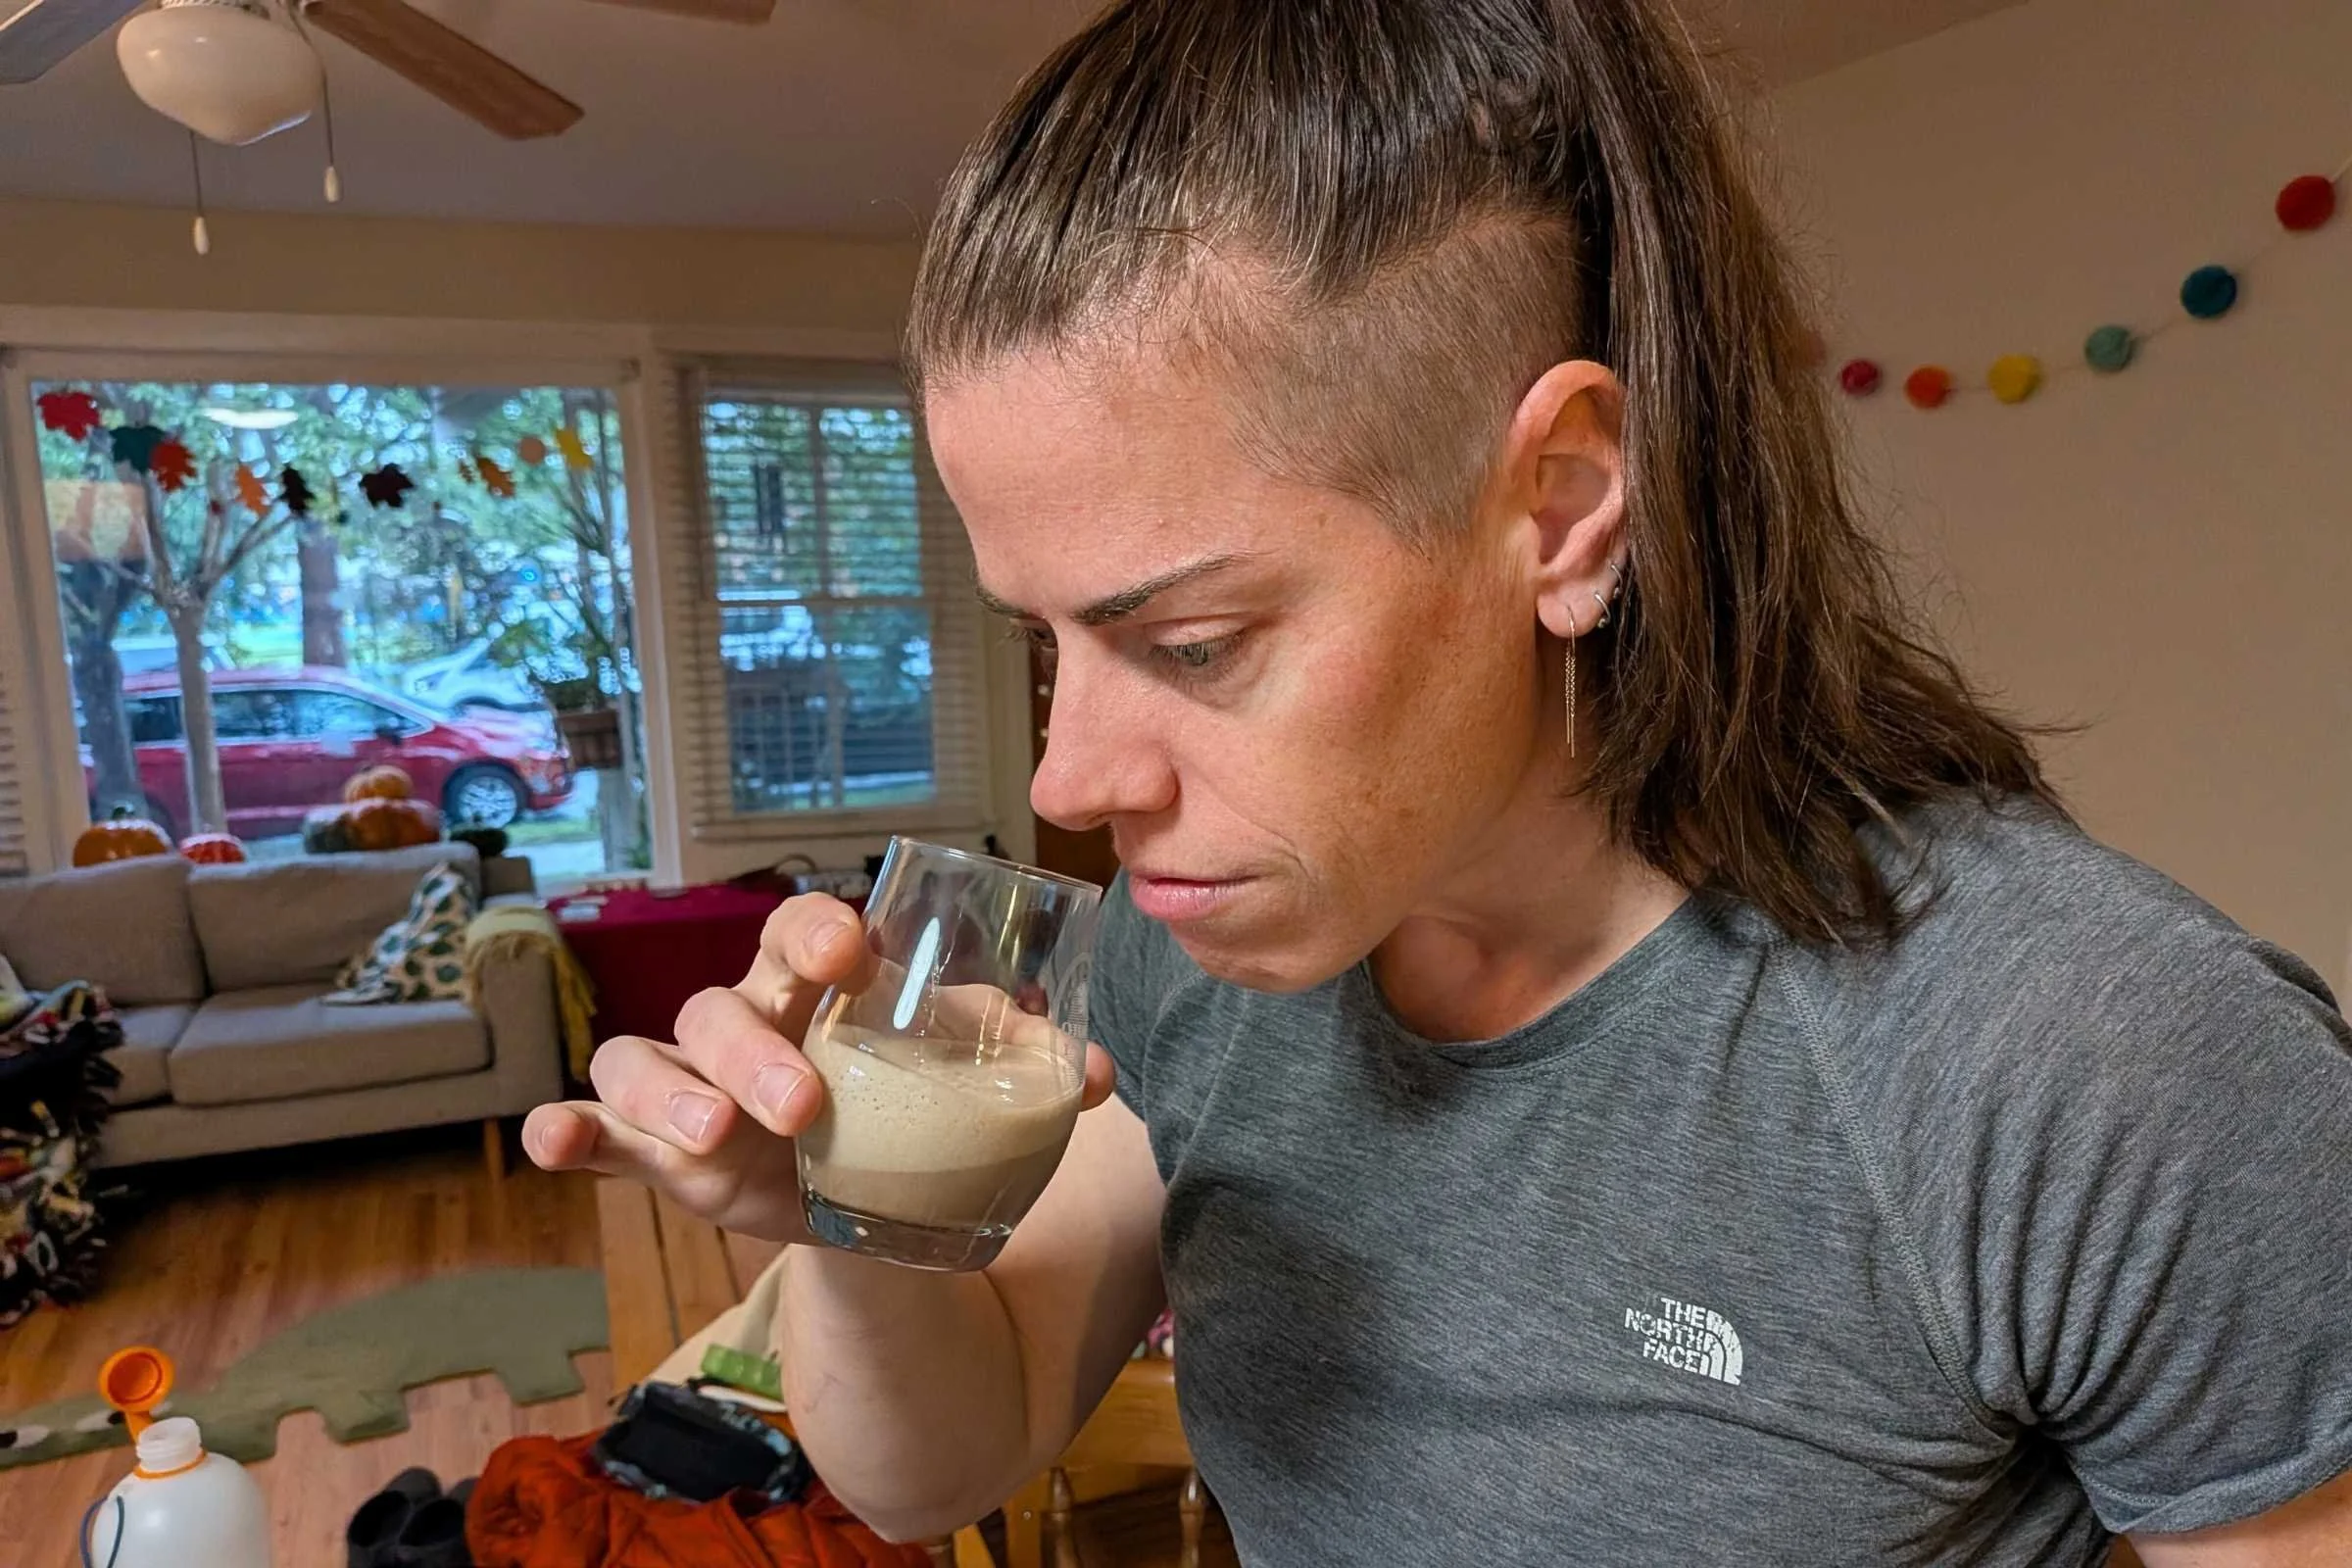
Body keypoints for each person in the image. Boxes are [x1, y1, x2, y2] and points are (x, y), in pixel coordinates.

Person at [526, 1, 2352, 1561]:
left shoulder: (2092, 1067)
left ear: (1557, 508)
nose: (1075, 779)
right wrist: (850, 1220)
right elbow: (948, 1455)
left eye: (1193, 642)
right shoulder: (1206, 955)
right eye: (1041, 641)